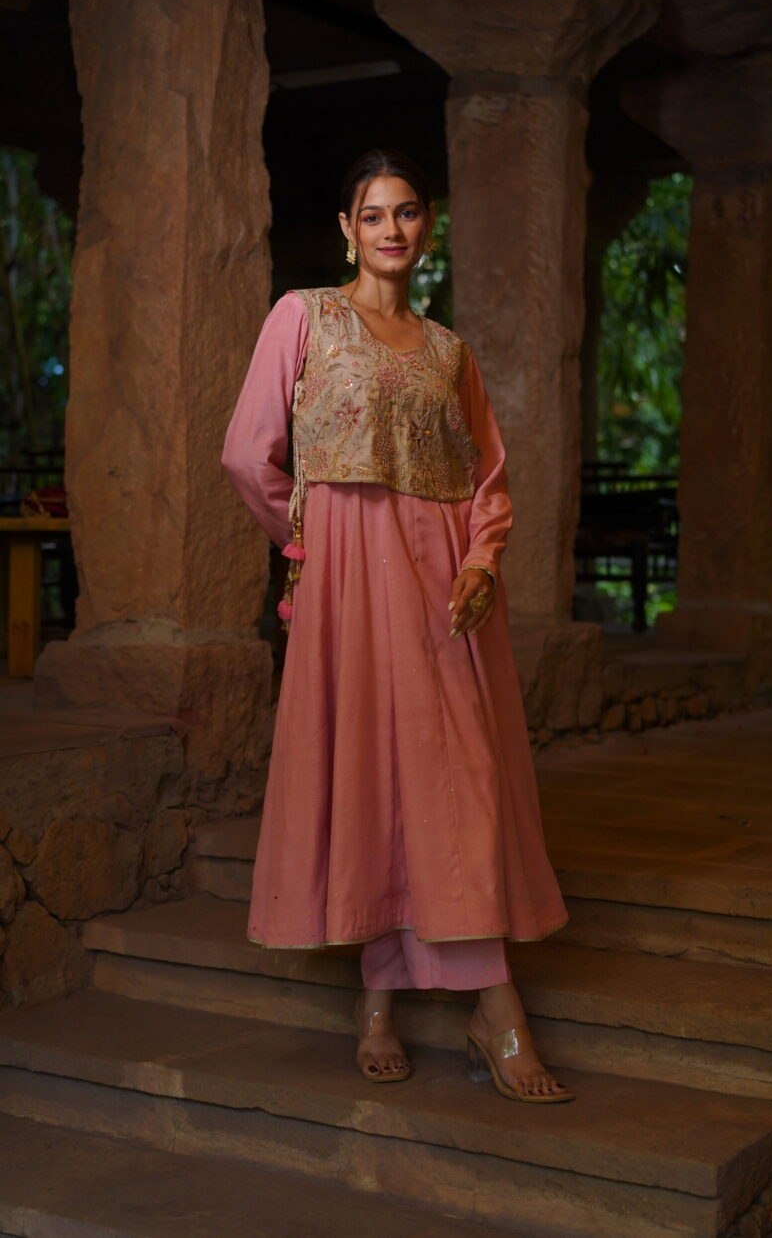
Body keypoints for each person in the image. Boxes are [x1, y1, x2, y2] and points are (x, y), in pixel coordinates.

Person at [222, 149, 573, 1104]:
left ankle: (492, 1002)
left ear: (427, 225)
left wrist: (480, 561)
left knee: (458, 774)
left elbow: (487, 478)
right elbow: (249, 454)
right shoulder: (304, 317)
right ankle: (380, 1001)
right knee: (373, 771)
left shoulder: (451, 352)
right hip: (347, 584)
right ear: (347, 228)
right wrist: (308, 541)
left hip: (441, 590)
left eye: (407, 212)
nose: (392, 229)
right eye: (373, 214)